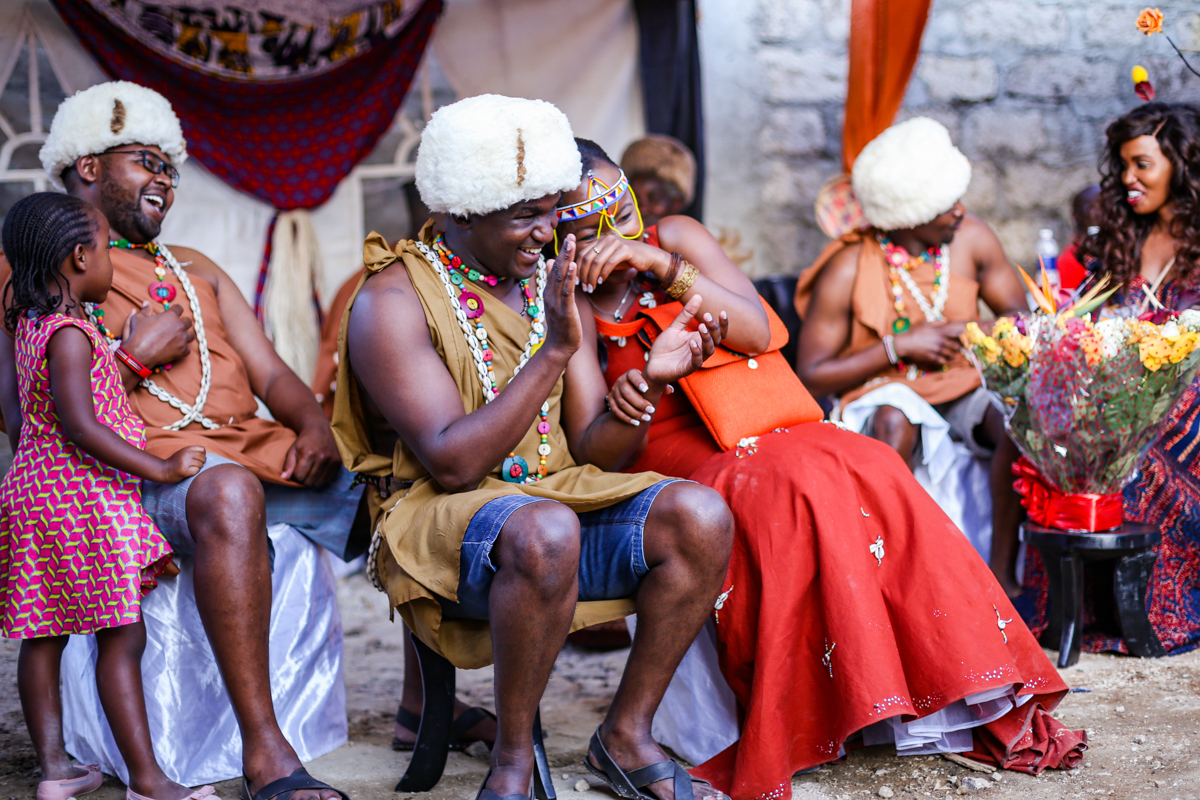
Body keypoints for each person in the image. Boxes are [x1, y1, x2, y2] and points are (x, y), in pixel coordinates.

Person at [556, 138, 1086, 800]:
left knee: (864, 460)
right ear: (562, 235)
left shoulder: (676, 238)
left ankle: (912, 688)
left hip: (760, 416)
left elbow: (762, 332)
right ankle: (812, 706)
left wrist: (664, 264)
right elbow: (594, 449)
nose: (616, 232)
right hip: (676, 446)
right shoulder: (570, 300)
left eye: (622, 211)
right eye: (591, 223)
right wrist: (647, 394)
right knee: (787, 487)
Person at [332, 94, 735, 800]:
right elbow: (452, 462)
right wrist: (552, 350)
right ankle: (512, 762)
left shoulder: (548, 276)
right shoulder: (390, 300)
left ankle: (626, 735)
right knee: (545, 530)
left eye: (550, 210)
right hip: (437, 517)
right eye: (525, 217)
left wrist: (649, 381)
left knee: (699, 517)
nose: (548, 230)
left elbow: (590, 449)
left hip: (548, 499)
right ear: (461, 213)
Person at [0, 81, 358, 800]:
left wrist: (314, 423)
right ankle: (266, 751)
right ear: (89, 167)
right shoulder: (32, 275)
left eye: (171, 163)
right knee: (229, 490)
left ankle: (426, 710)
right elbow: (31, 419)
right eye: (144, 159)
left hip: (253, 459)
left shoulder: (196, 268)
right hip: (137, 484)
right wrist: (136, 360)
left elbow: (275, 375)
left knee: (400, 479)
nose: (165, 176)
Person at [0, 192, 210, 800]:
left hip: (33, 489)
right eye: (107, 248)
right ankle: (148, 780)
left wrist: (32, 452)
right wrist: (163, 469)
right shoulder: (69, 333)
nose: (115, 261)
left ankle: (55, 772)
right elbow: (82, 426)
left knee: (42, 635)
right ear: (79, 256)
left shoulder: (28, 322)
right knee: (121, 636)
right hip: (83, 497)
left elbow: (17, 413)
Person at [794, 117, 1030, 597]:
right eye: (945, 207)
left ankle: (1004, 577)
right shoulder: (847, 267)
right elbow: (813, 375)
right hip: (884, 390)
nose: (960, 211)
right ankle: (894, 585)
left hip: (964, 385)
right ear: (908, 217)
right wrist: (897, 347)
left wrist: (965, 333)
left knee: (1012, 419)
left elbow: (1022, 321)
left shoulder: (974, 238)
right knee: (892, 419)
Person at [1023, 102, 1200, 654]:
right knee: (1060, 434)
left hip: (1190, 406)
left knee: (1143, 444)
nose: (1128, 178)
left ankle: (1151, 612)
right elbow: (1087, 325)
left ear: (1183, 165)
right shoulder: (1118, 243)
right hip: (1121, 396)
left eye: (1142, 164)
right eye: (1122, 165)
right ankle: (1081, 611)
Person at [619, 134, 697, 227]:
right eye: (636, 200)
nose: (642, 210)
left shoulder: (694, 240)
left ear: (676, 203)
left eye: (654, 199)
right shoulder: (613, 238)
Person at [1057, 185, 1101, 294]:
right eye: (1091, 207)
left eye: (1104, 205)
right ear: (1076, 215)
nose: (1099, 212)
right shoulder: (1069, 261)